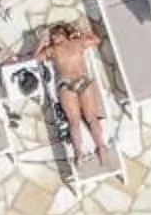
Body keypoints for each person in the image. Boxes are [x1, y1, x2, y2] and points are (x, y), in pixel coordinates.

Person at [41, 21, 111, 165]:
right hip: (75, 82)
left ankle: (91, 149)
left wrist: (41, 44)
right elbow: (96, 40)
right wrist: (82, 32)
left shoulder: (64, 46)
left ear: (64, 34)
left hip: (72, 83)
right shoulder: (69, 45)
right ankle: (90, 149)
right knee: (82, 120)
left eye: (56, 34)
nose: (54, 37)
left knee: (83, 120)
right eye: (53, 36)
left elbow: (97, 40)